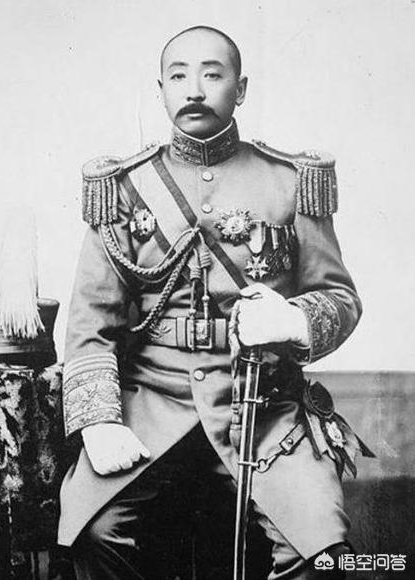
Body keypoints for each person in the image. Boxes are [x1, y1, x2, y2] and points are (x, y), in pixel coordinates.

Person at [59, 25, 371, 579]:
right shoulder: (124, 188)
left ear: (240, 89)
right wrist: (99, 422)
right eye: (179, 76)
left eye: (212, 74)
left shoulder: (290, 181)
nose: (195, 89)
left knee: (320, 554)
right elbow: (91, 321)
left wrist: (293, 319)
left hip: (264, 408)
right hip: (149, 403)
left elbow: (340, 298)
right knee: (93, 533)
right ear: (160, 90)